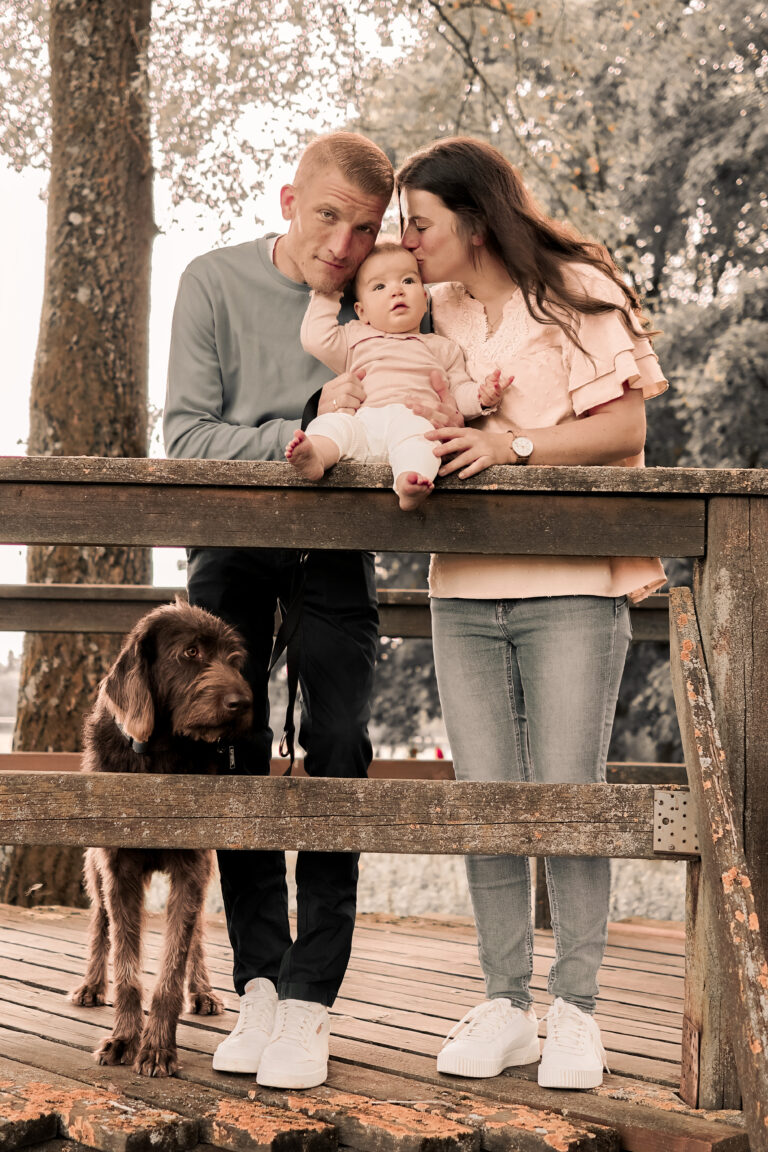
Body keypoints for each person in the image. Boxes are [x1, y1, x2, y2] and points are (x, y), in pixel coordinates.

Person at [397, 137, 668, 1090]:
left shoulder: (579, 286)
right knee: (488, 804)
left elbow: (627, 427)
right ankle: (506, 1003)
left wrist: (512, 447)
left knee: (567, 795)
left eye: (419, 223)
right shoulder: (430, 311)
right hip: (459, 586)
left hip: (572, 587)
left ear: (472, 220)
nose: (407, 241)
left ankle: (578, 1013)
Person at [163, 132, 395, 1091]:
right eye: (328, 217)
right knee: (232, 748)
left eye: (367, 228)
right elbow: (184, 431)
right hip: (231, 541)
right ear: (289, 198)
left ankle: (309, 999)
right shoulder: (210, 282)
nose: (344, 246)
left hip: (337, 546)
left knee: (338, 743)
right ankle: (259, 979)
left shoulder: (379, 304)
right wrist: (302, 433)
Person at [286, 242, 510, 510]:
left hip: (412, 419)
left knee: (423, 440)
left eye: (408, 280)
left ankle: (409, 483)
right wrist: (331, 287)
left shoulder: (442, 347)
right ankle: (317, 457)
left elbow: (458, 394)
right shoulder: (355, 337)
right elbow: (315, 338)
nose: (396, 290)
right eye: (379, 287)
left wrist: (481, 396)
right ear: (362, 312)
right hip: (362, 423)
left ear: (425, 300)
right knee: (332, 424)